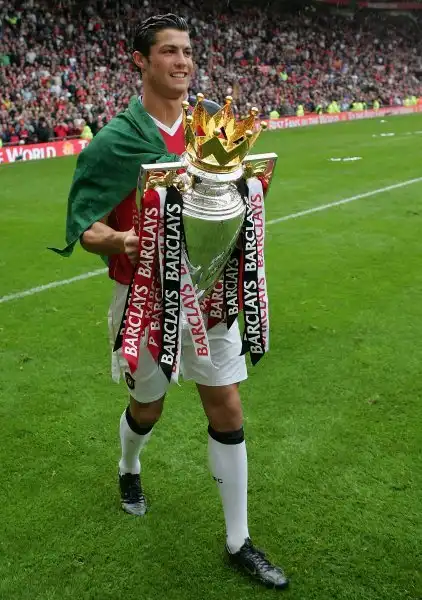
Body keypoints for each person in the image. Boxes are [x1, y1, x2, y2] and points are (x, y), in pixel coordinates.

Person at [58, 14, 288, 590]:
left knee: (227, 406)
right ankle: (129, 465)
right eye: (168, 51)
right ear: (140, 60)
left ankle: (239, 540)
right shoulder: (117, 140)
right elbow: (85, 225)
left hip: (211, 298)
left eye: (186, 51)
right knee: (149, 409)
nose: (182, 61)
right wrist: (121, 240)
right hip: (146, 299)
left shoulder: (213, 132)